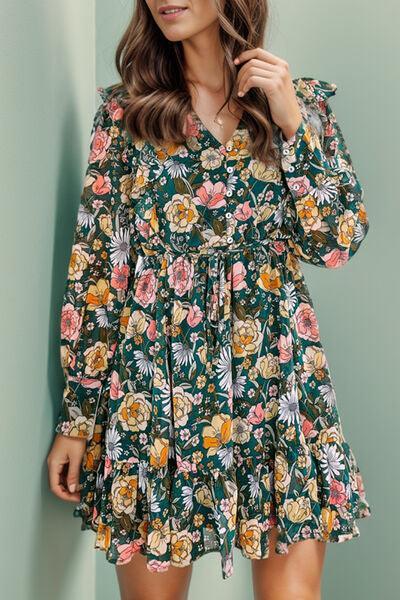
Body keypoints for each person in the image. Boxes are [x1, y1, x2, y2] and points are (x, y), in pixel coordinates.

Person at [47, 1, 372, 598]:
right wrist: (76, 419)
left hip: (279, 387)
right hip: (155, 392)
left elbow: (336, 242)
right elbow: (97, 274)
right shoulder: (125, 114)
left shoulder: (299, 105)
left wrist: (292, 121)